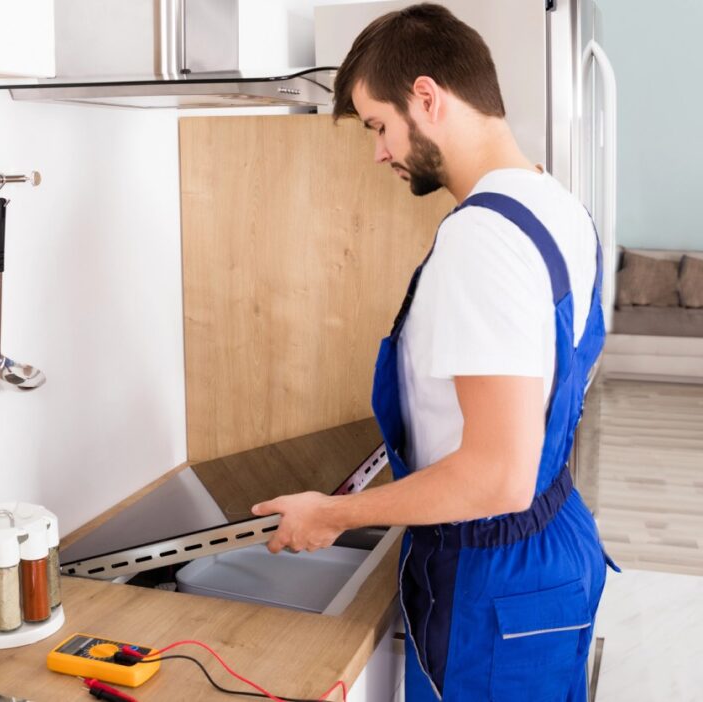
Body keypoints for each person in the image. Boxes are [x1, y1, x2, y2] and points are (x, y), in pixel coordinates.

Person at [250, 4, 618, 700]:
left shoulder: (481, 242)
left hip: (494, 580)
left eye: (378, 126)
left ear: (427, 96)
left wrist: (331, 515)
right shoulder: (556, 203)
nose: (380, 152)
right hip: (550, 542)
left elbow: (497, 476)